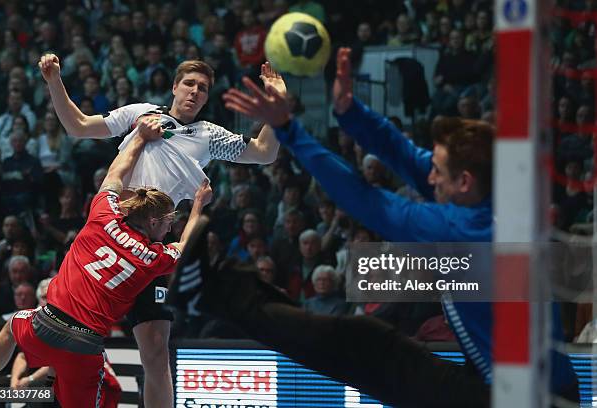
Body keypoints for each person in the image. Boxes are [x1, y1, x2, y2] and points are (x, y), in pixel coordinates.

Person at [207, 47, 579, 406]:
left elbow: (362, 198)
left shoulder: (464, 233)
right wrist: (350, 111)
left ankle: (221, 291)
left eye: (437, 169)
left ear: (463, 182)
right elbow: (401, 152)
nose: (427, 174)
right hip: (526, 385)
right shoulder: (490, 199)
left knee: (372, 348)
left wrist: (288, 129)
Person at [38, 53, 286, 407]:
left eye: (203, 88)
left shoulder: (207, 135)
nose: (195, 92)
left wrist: (276, 105)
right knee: (63, 336)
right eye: (189, 84)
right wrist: (54, 81)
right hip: (109, 234)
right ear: (174, 86)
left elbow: (263, 152)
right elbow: (77, 126)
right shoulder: (140, 112)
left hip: (150, 247)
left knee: (155, 352)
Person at [0, 118, 212, 408]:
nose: (169, 229)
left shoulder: (103, 213)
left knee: (11, 327)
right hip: (83, 347)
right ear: (153, 221)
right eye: (168, 223)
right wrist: (198, 205)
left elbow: (116, 170)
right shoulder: (154, 258)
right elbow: (185, 244)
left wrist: (140, 137)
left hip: (44, 325)